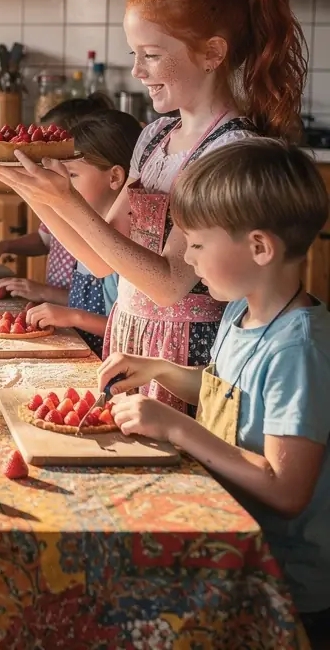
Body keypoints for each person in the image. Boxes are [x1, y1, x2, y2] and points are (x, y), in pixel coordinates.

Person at [0, 0, 305, 410]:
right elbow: (101, 259)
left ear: (212, 52)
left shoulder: (231, 149)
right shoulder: (154, 137)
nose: (136, 70)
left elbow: (169, 283)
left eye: (150, 55)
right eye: (135, 53)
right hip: (129, 335)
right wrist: (35, 192)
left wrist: (66, 201)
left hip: (185, 351)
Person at [100, 141, 330, 647]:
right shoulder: (240, 311)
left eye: (198, 246)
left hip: (278, 580)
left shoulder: (299, 351)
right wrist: (157, 368)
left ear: (260, 248)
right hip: (230, 534)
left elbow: (286, 491)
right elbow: (224, 390)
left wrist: (176, 426)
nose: (188, 259)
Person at [0, 95, 111, 303]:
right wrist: (4, 246)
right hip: (55, 311)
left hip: (76, 316)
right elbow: (45, 240)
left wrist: (45, 293)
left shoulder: (104, 213)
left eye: (48, 142)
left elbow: (103, 306)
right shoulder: (55, 194)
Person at [24, 110, 142, 355]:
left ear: (115, 177)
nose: (62, 184)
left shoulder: (127, 244)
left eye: (73, 175)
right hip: (80, 352)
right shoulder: (84, 233)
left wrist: (74, 316)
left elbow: (136, 332)